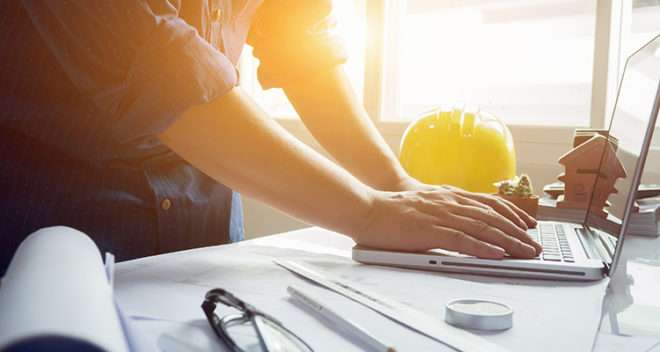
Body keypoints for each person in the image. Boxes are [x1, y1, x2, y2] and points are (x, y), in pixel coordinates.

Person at [0, 0, 541, 274]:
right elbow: (158, 71)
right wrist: (369, 212)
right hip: (51, 223)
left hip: (205, 214)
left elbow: (300, 40)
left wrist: (392, 182)